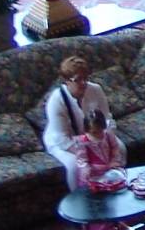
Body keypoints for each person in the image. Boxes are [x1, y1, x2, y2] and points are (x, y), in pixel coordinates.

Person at [43, 55, 114, 189]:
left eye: (85, 78)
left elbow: (107, 119)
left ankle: (115, 187)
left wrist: (106, 142)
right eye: (78, 80)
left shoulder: (96, 89)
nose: (83, 83)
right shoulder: (56, 101)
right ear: (66, 81)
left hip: (94, 136)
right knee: (75, 166)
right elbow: (62, 140)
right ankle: (78, 200)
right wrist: (90, 151)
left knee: (119, 149)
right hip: (64, 143)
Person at [70, 107, 126, 192]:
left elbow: (115, 148)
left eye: (100, 131)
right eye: (94, 133)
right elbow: (82, 160)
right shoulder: (82, 142)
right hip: (94, 175)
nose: (98, 135)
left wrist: (114, 161)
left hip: (110, 170)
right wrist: (86, 169)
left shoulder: (108, 135)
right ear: (87, 131)